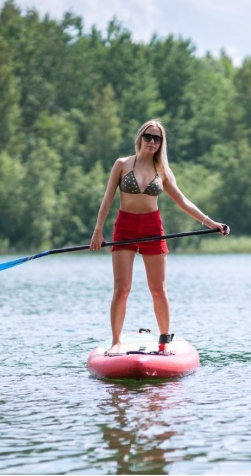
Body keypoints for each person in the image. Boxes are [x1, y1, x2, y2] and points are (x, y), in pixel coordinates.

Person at [90, 119, 229, 355]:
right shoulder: (122, 164)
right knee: (122, 289)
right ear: (140, 138)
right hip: (125, 227)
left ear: (161, 143)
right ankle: (116, 342)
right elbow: (107, 199)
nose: (152, 141)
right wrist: (97, 231)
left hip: (152, 228)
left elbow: (183, 202)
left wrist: (212, 223)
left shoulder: (162, 171)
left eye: (157, 138)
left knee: (158, 289)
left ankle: (164, 343)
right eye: (148, 136)